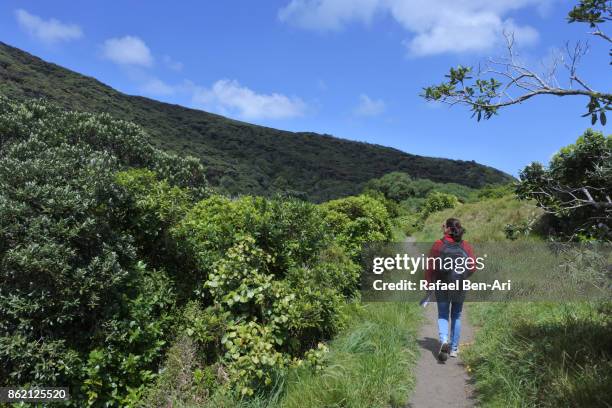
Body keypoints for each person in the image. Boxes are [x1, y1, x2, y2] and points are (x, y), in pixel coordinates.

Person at [425, 218, 475, 361]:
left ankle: (444, 340)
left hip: (442, 284)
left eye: (444, 225)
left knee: (442, 315)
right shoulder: (466, 245)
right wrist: (463, 276)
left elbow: (430, 267)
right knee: (457, 315)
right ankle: (453, 349)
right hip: (460, 285)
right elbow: (472, 267)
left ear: (447, 228)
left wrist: (428, 283)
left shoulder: (438, 245)